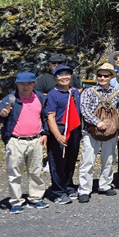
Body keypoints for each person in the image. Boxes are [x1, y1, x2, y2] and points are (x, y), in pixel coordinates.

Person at [0, 72, 50, 213]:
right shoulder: (10, 99)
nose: (25, 87)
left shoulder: (40, 98)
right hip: (16, 141)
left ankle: (36, 198)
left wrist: (44, 133)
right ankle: (16, 201)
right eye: (22, 84)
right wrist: (2, 114)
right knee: (14, 173)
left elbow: (44, 117)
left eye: (29, 84)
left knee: (35, 171)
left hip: (35, 140)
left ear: (34, 84)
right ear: (17, 84)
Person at [77, 63, 119, 203]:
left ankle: (105, 185)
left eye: (106, 75)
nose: (102, 78)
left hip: (111, 133)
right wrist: (97, 122)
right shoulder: (88, 92)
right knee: (88, 161)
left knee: (108, 160)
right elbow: (84, 109)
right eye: (100, 75)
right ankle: (84, 189)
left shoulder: (118, 93)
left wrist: (116, 127)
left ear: (111, 77)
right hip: (91, 131)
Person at [45, 64, 83, 205]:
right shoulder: (52, 94)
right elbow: (50, 117)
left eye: (67, 74)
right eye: (60, 75)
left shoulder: (75, 92)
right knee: (57, 161)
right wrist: (57, 135)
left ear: (71, 77)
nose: (64, 77)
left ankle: (68, 185)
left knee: (71, 159)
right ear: (55, 78)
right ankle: (58, 191)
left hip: (74, 129)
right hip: (60, 129)